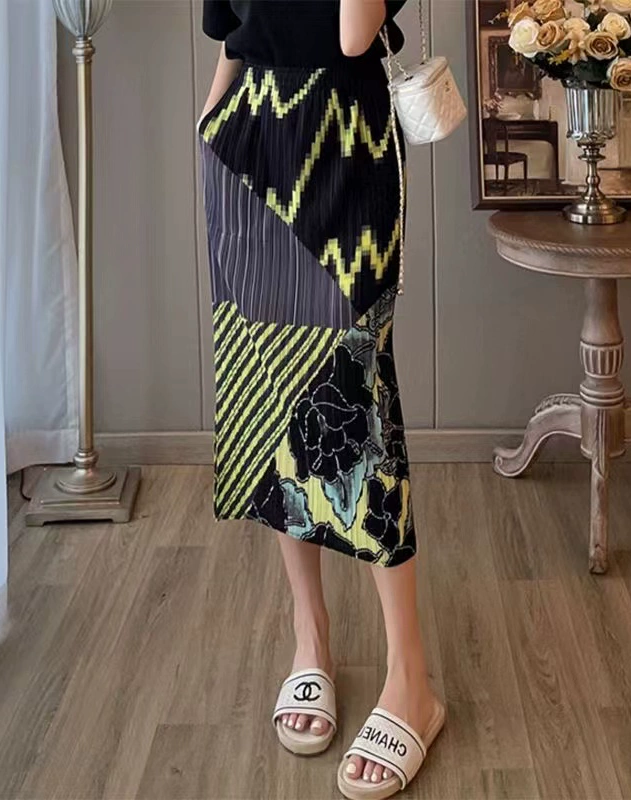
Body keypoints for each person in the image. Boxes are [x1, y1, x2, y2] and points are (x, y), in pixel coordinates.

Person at [196, 2, 444, 797]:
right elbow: (230, 33)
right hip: (246, 144)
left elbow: (352, 34)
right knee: (270, 393)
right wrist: (210, 129)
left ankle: (411, 680)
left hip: (344, 146)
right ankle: (311, 638)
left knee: (355, 403)